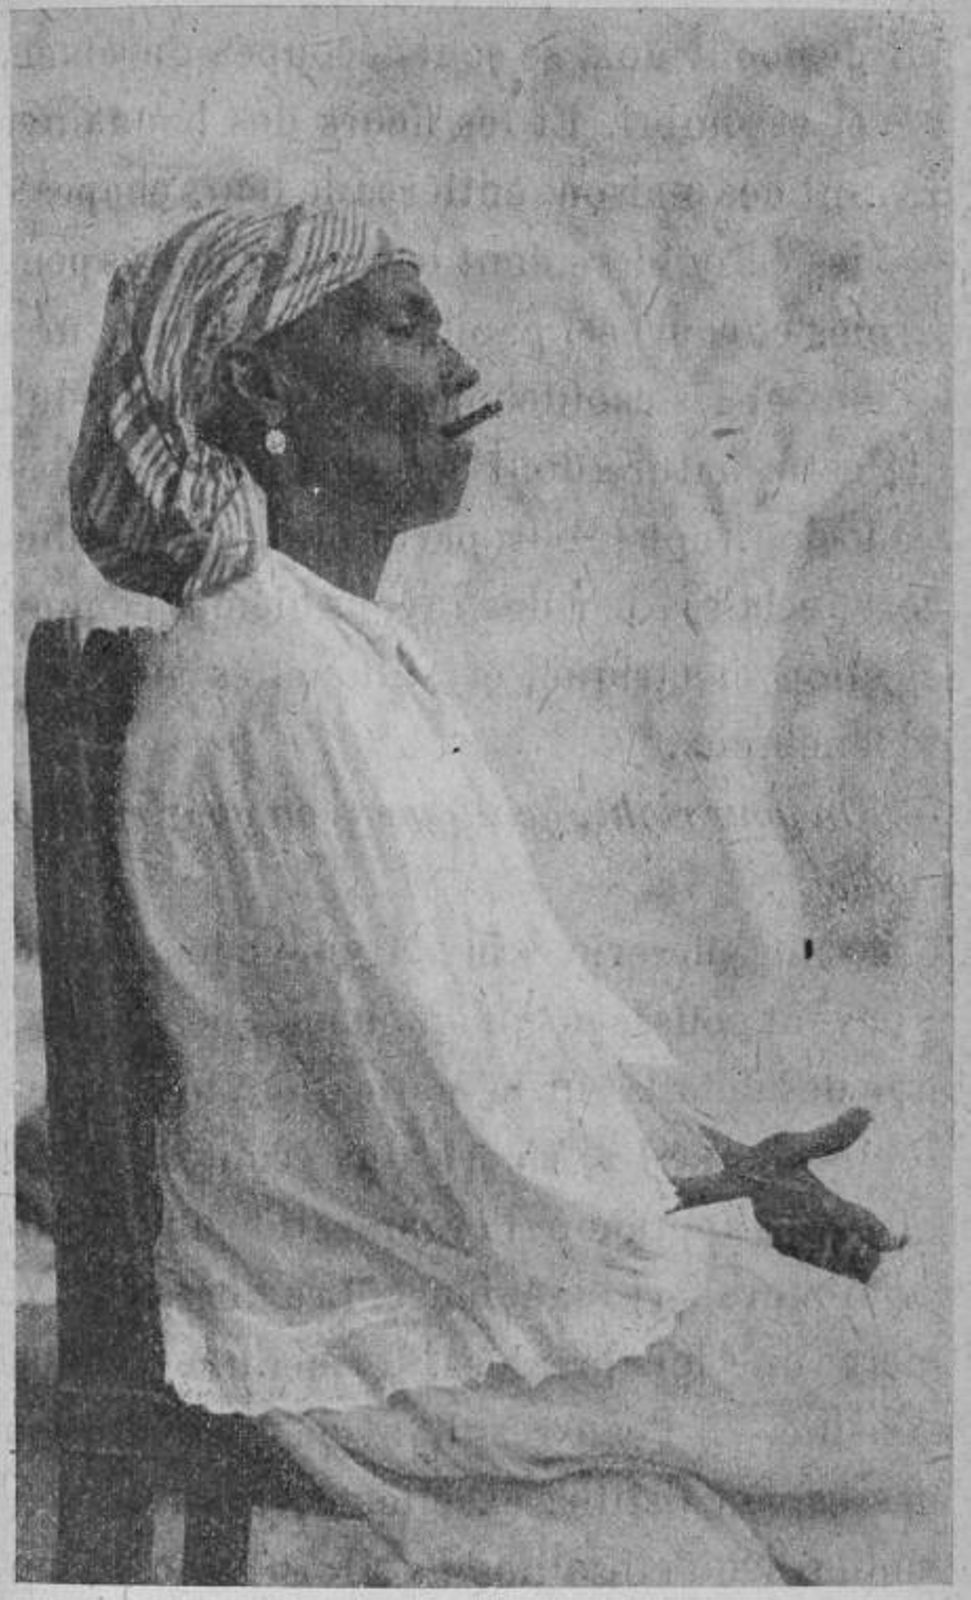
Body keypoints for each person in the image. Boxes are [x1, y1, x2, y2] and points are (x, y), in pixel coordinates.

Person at [69, 204, 942, 1585]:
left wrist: (716, 1162)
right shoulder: (278, 687)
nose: (455, 363)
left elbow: (509, 1038)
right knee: (926, 1417)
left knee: (894, 1435)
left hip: (451, 1276)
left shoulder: (337, 658)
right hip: (379, 1329)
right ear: (258, 388)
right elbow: (440, 1121)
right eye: (405, 325)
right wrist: (708, 1191)